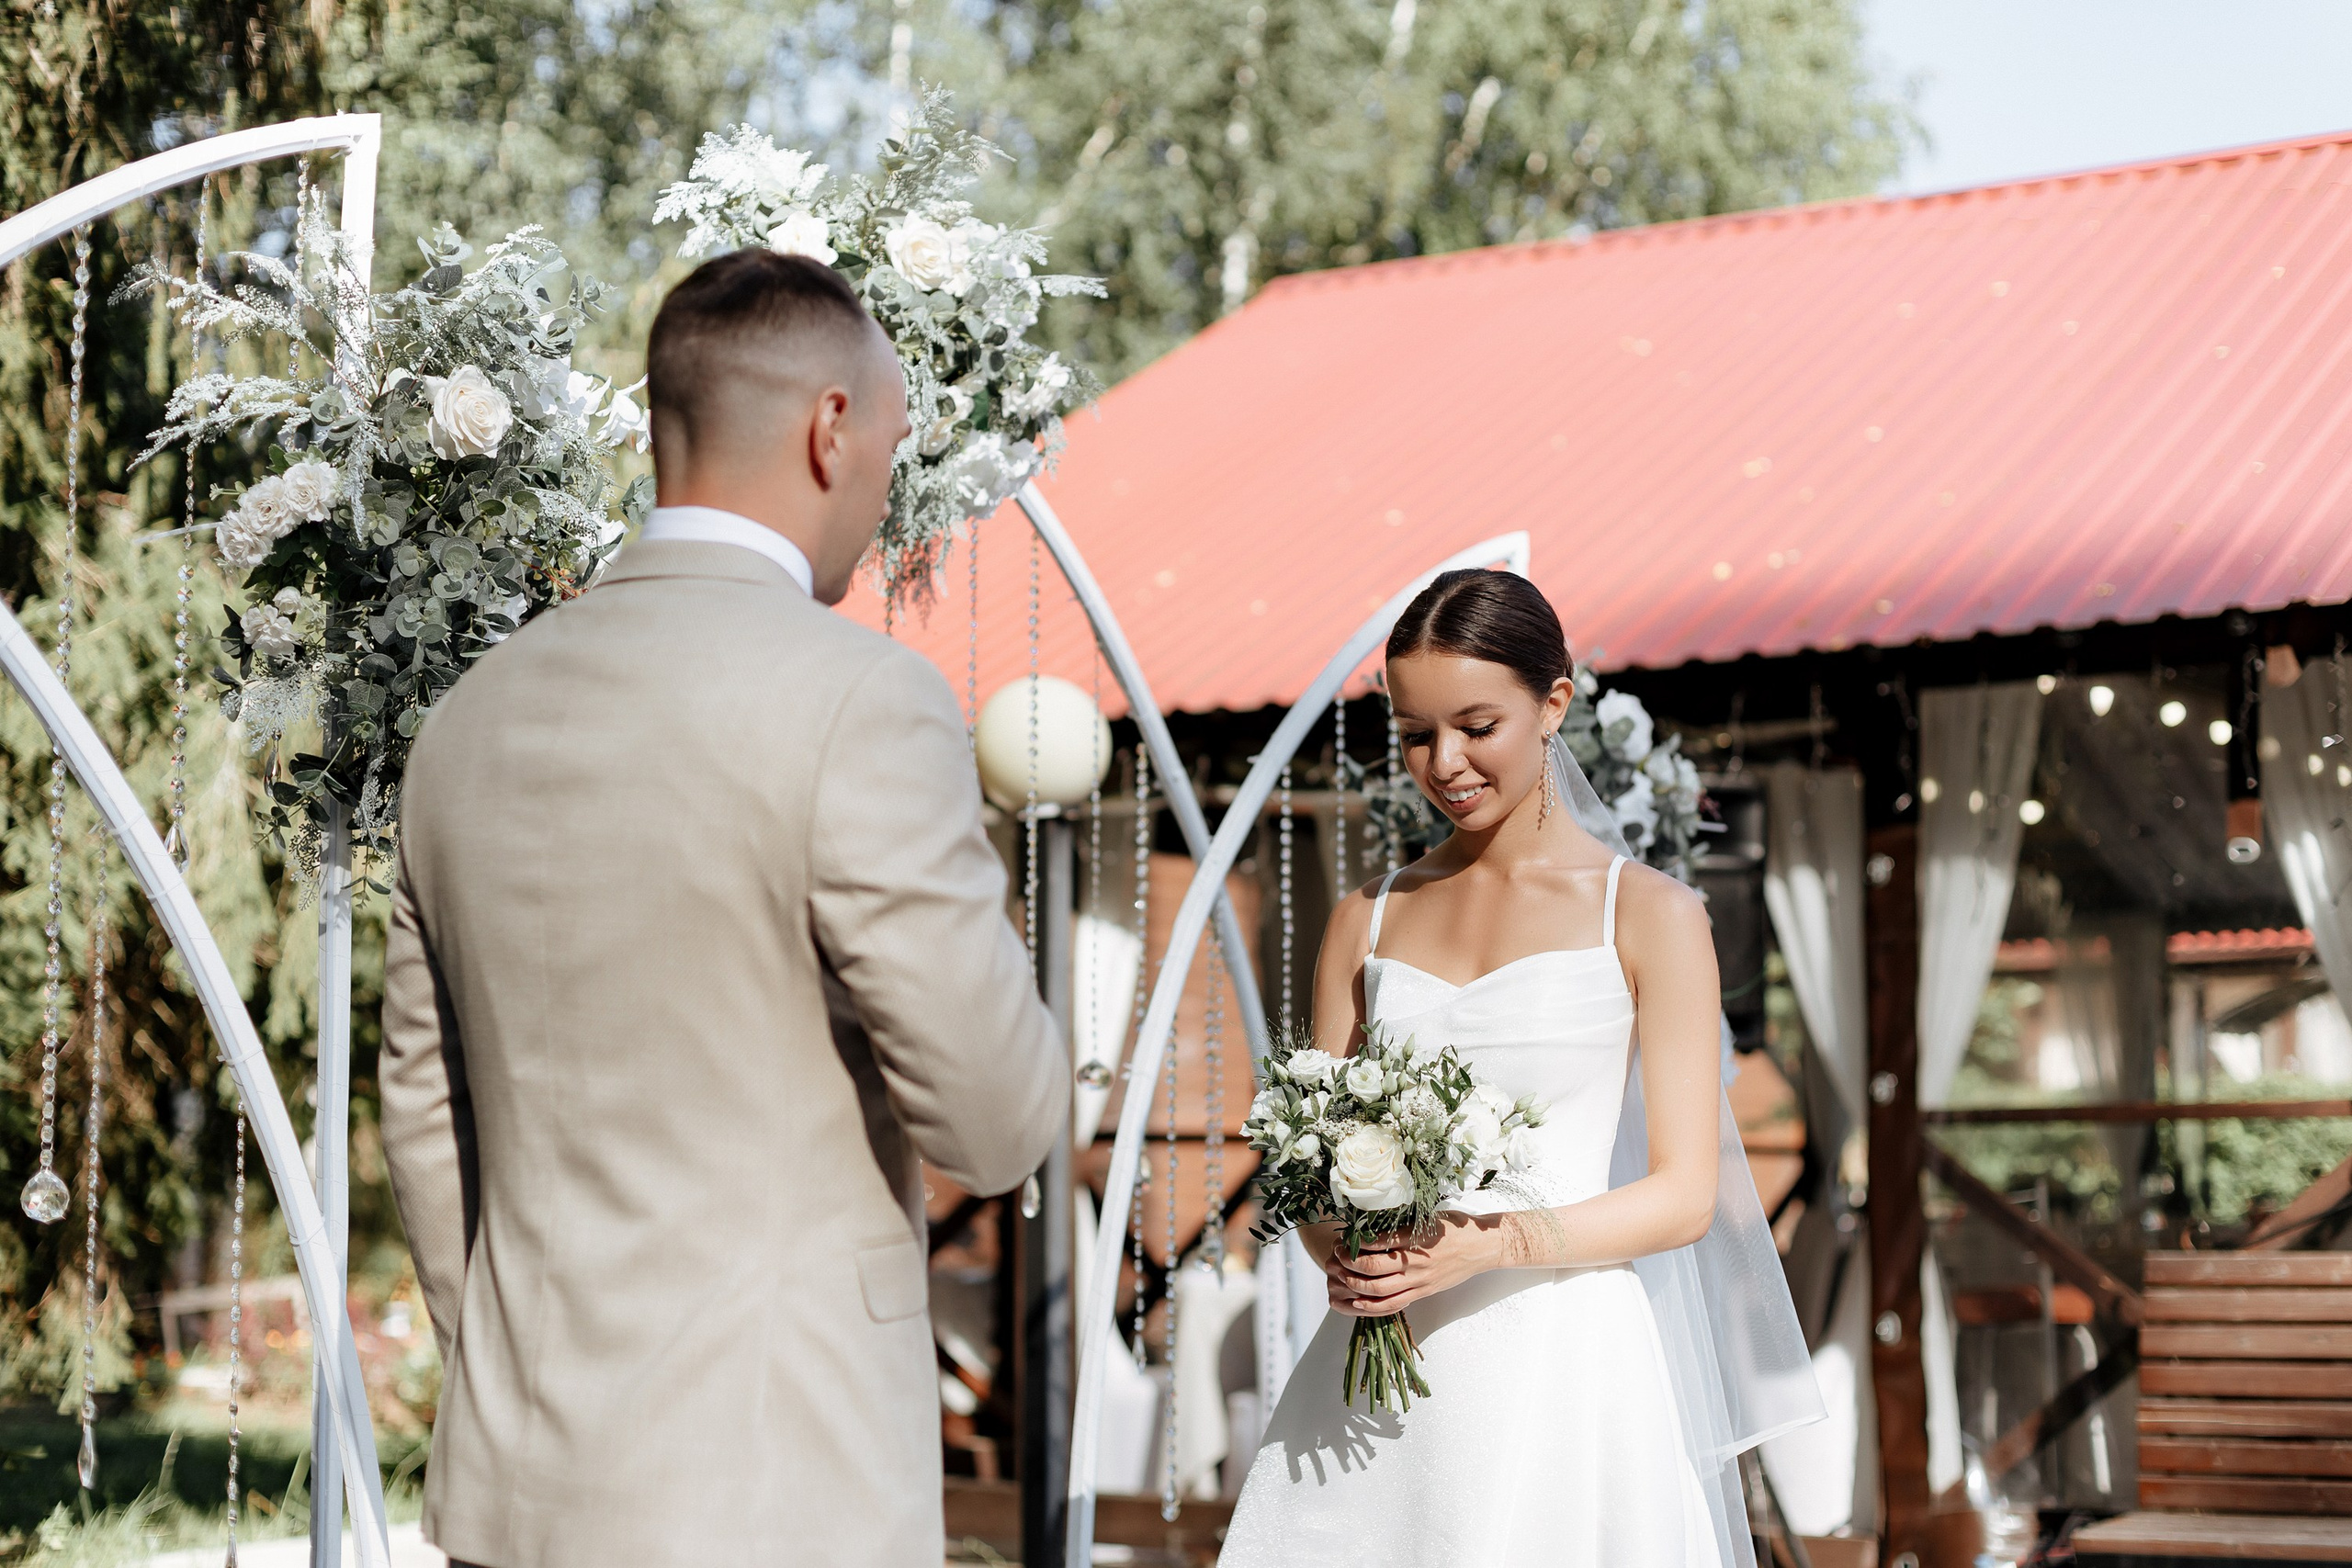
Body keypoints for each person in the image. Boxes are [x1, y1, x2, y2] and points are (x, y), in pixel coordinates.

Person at [380, 250, 1069, 1568]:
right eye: (889, 434)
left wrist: (518, 1377)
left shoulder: (466, 721)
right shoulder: (862, 699)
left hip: (517, 1488)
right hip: (772, 1491)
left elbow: (423, 1112)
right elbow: (994, 1122)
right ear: (830, 427)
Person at [1222, 569, 1754, 1566]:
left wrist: (1484, 1245)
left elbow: (1684, 1197)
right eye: (1415, 733)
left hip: (1564, 1368)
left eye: (1476, 725)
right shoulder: (1362, 920)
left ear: (1553, 703)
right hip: (1380, 1380)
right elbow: (1306, 1165)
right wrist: (1348, 1251)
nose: (1445, 762)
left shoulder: (1649, 915)